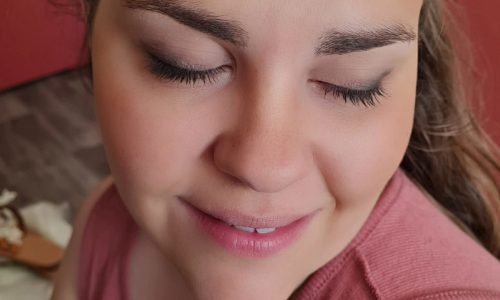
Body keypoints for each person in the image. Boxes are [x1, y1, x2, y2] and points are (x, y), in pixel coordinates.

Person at [51, 0, 500, 299]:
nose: (264, 167)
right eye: (184, 63)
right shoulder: (103, 225)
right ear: (92, 32)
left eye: (352, 85)